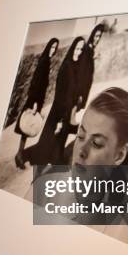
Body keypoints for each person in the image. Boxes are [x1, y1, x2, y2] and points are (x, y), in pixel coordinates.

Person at [71, 87, 128, 246]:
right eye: (80, 136)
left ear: (119, 155)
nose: (81, 151)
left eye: (96, 143)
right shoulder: (41, 192)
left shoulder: (119, 238)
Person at [24, 36, 86, 174]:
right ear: (73, 49)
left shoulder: (76, 66)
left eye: (81, 49)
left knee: (58, 139)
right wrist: (61, 117)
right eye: (77, 48)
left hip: (69, 109)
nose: (79, 52)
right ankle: (26, 156)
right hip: (60, 110)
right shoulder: (66, 66)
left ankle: (55, 161)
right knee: (48, 140)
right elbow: (60, 93)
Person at [13, 38, 59, 169]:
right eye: (52, 47)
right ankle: (19, 156)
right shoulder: (44, 61)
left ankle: (19, 155)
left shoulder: (46, 61)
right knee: (26, 128)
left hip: (36, 100)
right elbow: (35, 83)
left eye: (55, 48)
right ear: (48, 47)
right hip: (34, 100)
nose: (53, 50)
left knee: (26, 129)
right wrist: (34, 103)